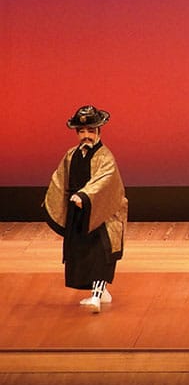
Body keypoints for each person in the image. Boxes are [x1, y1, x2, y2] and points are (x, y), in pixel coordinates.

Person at [43, 105, 128, 314]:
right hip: (79, 212)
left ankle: (97, 296)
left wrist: (84, 195)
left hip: (102, 213)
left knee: (100, 254)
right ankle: (101, 291)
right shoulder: (71, 155)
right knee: (82, 254)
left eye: (91, 131)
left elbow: (105, 181)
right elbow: (59, 179)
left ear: (98, 131)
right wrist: (53, 201)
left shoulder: (105, 157)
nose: (86, 135)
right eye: (82, 131)